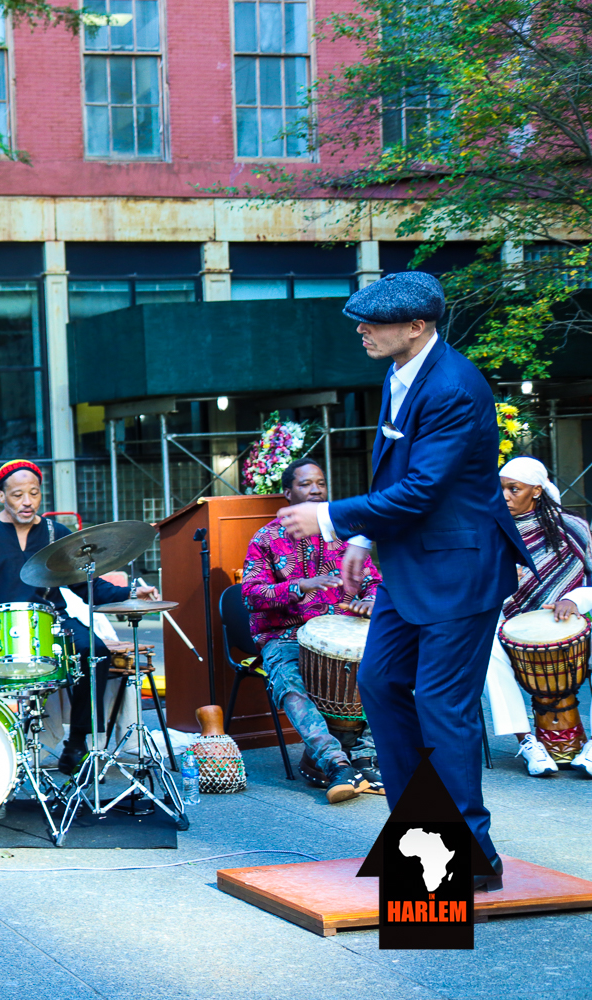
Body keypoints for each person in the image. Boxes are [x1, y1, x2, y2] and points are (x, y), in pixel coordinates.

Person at [278, 271, 533, 892]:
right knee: (380, 681)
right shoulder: (399, 371)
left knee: (444, 709)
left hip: (460, 567)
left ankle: (469, 855)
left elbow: (424, 490)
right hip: (409, 561)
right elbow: (400, 473)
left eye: (373, 322)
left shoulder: (452, 386)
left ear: (416, 327)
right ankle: (421, 830)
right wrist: (365, 540)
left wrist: (333, 519)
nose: (361, 330)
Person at [0, 460, 159, 774]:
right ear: (1, 495)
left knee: (94, 652)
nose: (27, 502)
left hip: (50, 622)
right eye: (17, 495)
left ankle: (77, 743)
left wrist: (134, 590)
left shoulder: (57, 534)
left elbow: (88, 585)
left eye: (34, 493)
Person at [242, 459, 383, 803]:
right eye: (306, 484)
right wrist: (300, 585)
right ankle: (335, 764)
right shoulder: (265, 538)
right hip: (285, 635)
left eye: (320, 483)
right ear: (288, 493)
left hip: (343, 632)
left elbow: (374, 581)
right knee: (289, 683)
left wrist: (371, 601)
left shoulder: (345, 535)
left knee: (390, 669)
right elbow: (250, 594)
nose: (316, 490)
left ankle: (365, 757)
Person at [484, 457, 592, 777]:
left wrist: (573, 598)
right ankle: (528, 741)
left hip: (573, 622)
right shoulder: (492, 530)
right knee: (486, 646)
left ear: (536, 491)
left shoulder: (573, 527)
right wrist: (503, 583)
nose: (504, 495)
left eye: (513, 489)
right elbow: (476, 589)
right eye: (500, 488)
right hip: (511, 622)